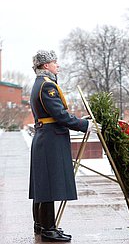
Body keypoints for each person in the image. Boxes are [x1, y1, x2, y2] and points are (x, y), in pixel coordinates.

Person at [29, 50, 92, 241]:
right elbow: (60, 115)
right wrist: (85, 125)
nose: (58, 65)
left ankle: (42, 225)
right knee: (48, 184)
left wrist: (81, 121)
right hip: (50, 138)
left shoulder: (40, 84)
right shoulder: (47, 86)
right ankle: (48, 229)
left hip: (46, 137)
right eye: (55, 62)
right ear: (46, 65)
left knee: (43, 184)